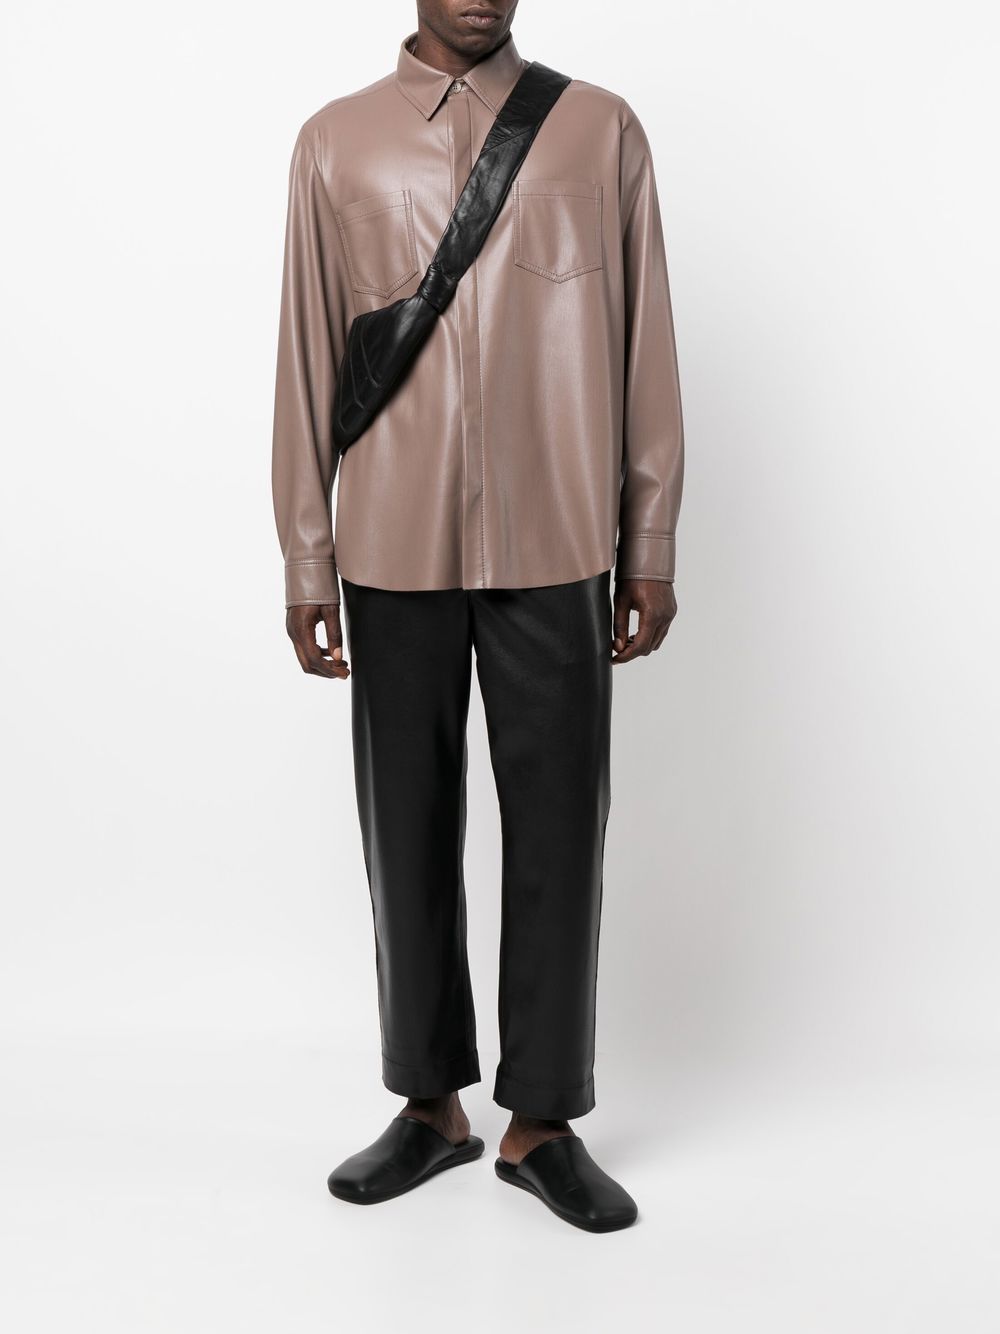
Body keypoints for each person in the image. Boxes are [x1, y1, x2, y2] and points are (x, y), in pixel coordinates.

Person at [271, 0, 683, 1233]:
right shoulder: (335, 142)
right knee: (404, 826)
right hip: (389, 539)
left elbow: (644, 341)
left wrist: (649, 537)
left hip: (557, 533)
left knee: (559, 828)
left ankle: (542, 1120)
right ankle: (430, 1105)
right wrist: (307, 556)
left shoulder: (599, 131)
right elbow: (304, 352)